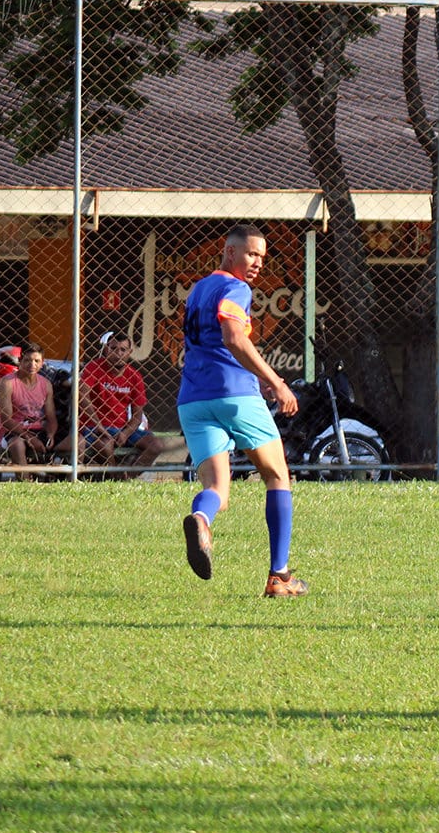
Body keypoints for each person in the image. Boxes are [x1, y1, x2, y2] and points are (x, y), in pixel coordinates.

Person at [177, 224, 307, 597]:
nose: (257, 264)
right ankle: (279, 578)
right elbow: (234, 337)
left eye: (262, 257)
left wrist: (260, 377)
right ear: (229, 251)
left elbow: (218, 341)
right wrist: (276, 382)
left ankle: (201, 520)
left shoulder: (199, 288)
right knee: (277, 474)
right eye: (251, 254)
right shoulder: (237, 288)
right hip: (234, 396)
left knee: (218, 487)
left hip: (193, 400)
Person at [78, 330, 162, 467]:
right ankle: (115, 477)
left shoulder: (135, 376)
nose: (118, 353)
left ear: (129, 352)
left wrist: (125, 433)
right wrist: (99, 426)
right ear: (106, 350)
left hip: (121, 428)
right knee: (105, 445)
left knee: (156, 445)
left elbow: (137, 414)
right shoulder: (94, 367)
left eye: (123, 349)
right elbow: (82, 397)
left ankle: (126, 478)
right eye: (113, 348)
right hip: (94, 427)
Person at [0, 342, 56, 473]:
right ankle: (25, 482)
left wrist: (51, 434)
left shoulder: (46, 384)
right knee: (17, 444)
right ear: (20, 360)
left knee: (71, 442)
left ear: (42, 362)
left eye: (36, 361)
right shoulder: (8, 382)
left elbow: (51, 417)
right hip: (14, 432)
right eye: (27, 360)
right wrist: (28, 437)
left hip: (38, 430)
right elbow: (6, 419)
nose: (32, 365)